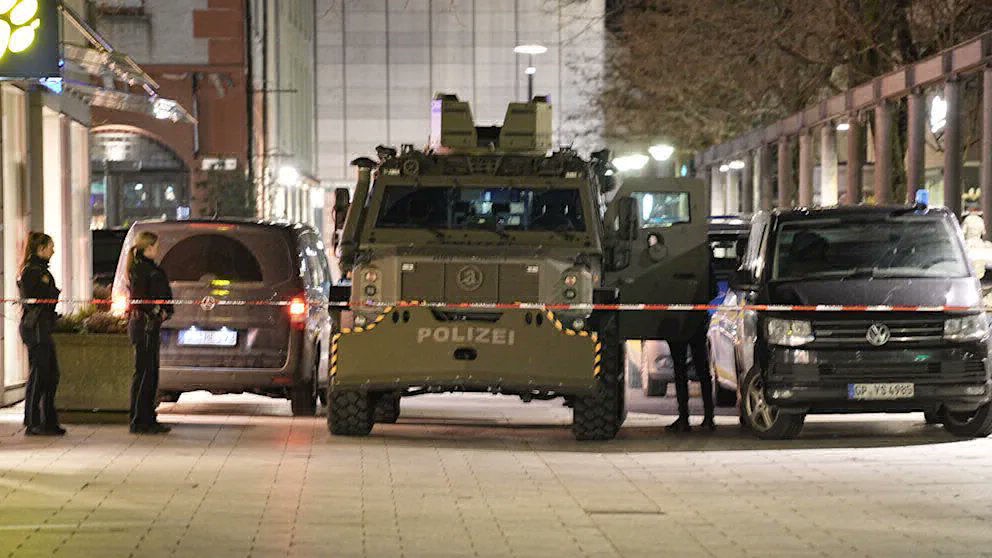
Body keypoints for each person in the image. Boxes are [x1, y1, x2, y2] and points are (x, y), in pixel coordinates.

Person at [18, 232, 66, 436]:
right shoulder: (31, 271)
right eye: (50, 247)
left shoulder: (40, 271)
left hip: (43, 326)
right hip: (36, 328)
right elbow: (34, 298)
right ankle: (33, 421)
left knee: (51, 375)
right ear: (40, 249)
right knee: (39, 375)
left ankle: (48, 420)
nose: (53, 251)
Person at [127, 231, 174, 434]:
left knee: (150, 373)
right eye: (155, 246)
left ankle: (147, 417)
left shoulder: (147, 268)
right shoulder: (141, 269)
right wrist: (156, 311)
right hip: (144, 326)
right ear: (147, 248)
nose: (158, 249)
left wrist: (164, 311)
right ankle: (140, 419)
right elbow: (140, 299)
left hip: (149, 325)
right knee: (145, 373)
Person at [666, 258, 718, 433]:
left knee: (680, 371)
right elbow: (713, 290)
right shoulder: (703, 260)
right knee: (702, 370)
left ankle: (684, 419)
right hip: (696, 320)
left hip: (676, 321)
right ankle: (709, 418)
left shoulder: (670, 260)